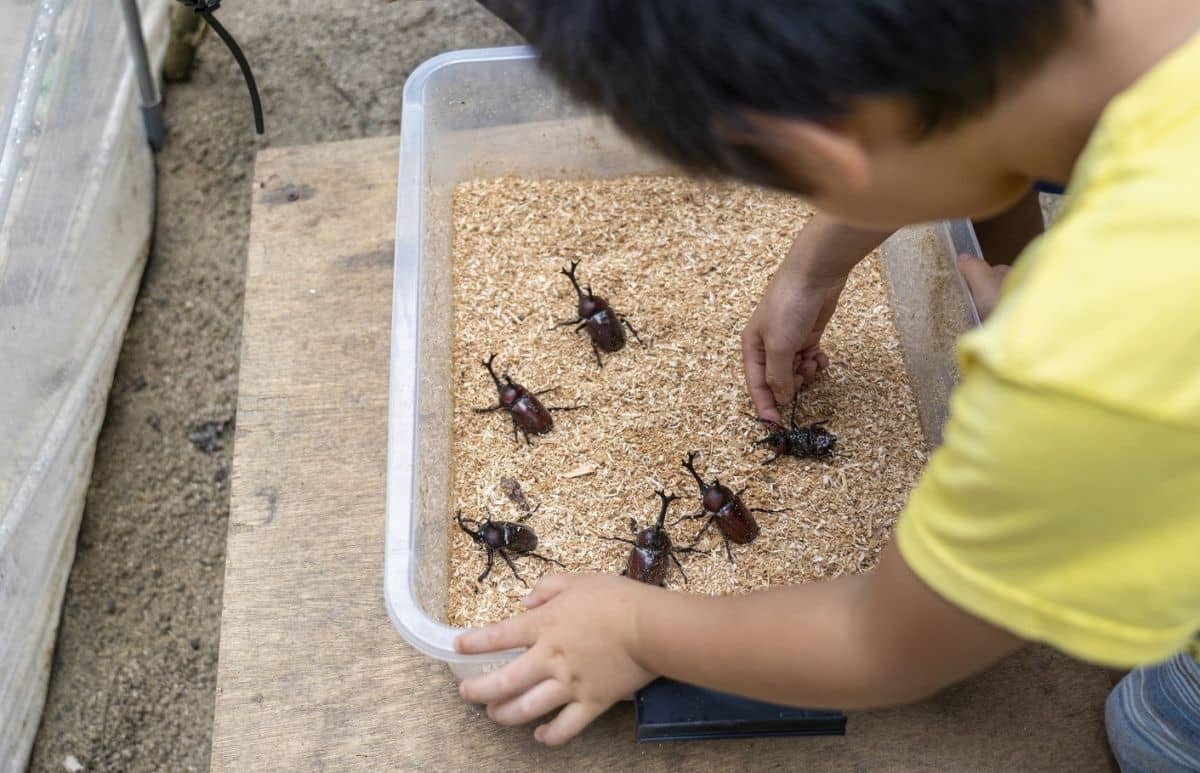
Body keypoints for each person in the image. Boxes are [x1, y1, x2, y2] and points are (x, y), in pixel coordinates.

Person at [452, 2, 1200, 766]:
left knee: (1149, 728)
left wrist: (636, 629)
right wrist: (821, 258)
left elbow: (888, 644)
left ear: (838, 154)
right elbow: (963, 142)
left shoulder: (1089, 348)